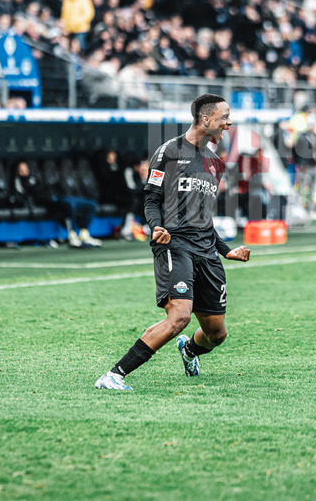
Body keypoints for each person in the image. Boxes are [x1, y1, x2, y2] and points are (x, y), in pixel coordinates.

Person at [96, 94, 251, 391]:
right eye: (224, 117)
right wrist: (157, 228)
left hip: (206, 250)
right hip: (174, 245)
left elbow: (204, 219)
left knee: (216, 334)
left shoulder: (215, 164)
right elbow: (151, 200)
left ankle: (189, 350)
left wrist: (226, 250)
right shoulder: (169, 151)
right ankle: (114, 375)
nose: (229, 123)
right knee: (179, 315)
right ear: (205, 119)